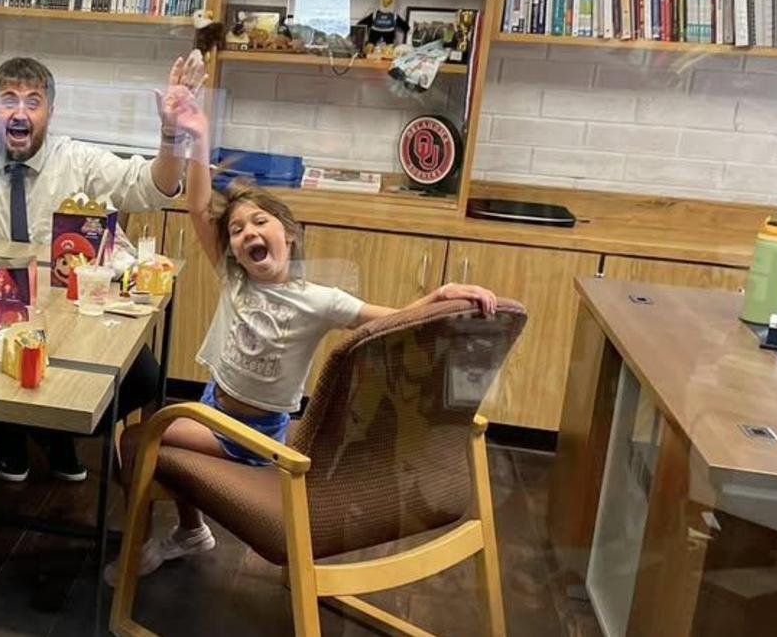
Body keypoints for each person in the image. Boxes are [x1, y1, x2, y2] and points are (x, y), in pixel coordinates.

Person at [107, 96, 499, 581]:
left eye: (259, 222)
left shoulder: (318, 299)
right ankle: (191, 531)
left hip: (252, 434)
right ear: (231, 248)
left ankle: (155, 541)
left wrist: (440, 294)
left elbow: (391, 322)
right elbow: (200, 203)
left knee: (138, 439)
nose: (246, 231)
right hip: (213, 407)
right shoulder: (234, 279)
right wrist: (198, 135)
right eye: (235, 230)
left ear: (288, 235)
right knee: (166, 437)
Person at [0, 27, 206, 483]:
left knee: (142, 379)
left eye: (33, 101)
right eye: (8, 99)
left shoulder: (76, 158)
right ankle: (12, 434)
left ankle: (55, 433)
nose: (20, 110)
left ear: (50, 112)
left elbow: (152, 187)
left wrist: (171, 134)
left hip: (66, 309)